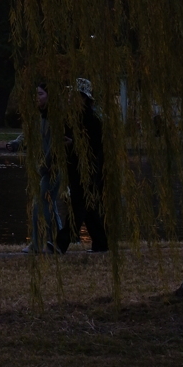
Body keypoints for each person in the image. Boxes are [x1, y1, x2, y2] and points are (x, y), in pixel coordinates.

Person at [7, 83, 63, 252]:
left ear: (49, 95)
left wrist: (46, 166)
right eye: (36, 94)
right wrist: (16, 144)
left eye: (40, 93)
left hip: (53, 167)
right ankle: (50, 242)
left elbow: (55, 146)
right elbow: (29, 133)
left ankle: (46, 243)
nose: (37, 97)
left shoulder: (56, 117)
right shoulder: (38, 116)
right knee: (44, 204)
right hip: (43, 167)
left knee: (43, 203)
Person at [57, 79, 109, 252]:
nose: (70, 98)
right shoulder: (71, 118)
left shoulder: (93, 120)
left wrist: (73, 143)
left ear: (84, 98)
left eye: (74, 95)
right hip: (75, 168)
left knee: (78, 206)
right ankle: (101, 243)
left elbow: (94, 148)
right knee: (88, 209)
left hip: (87, 170)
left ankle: (61, 243)